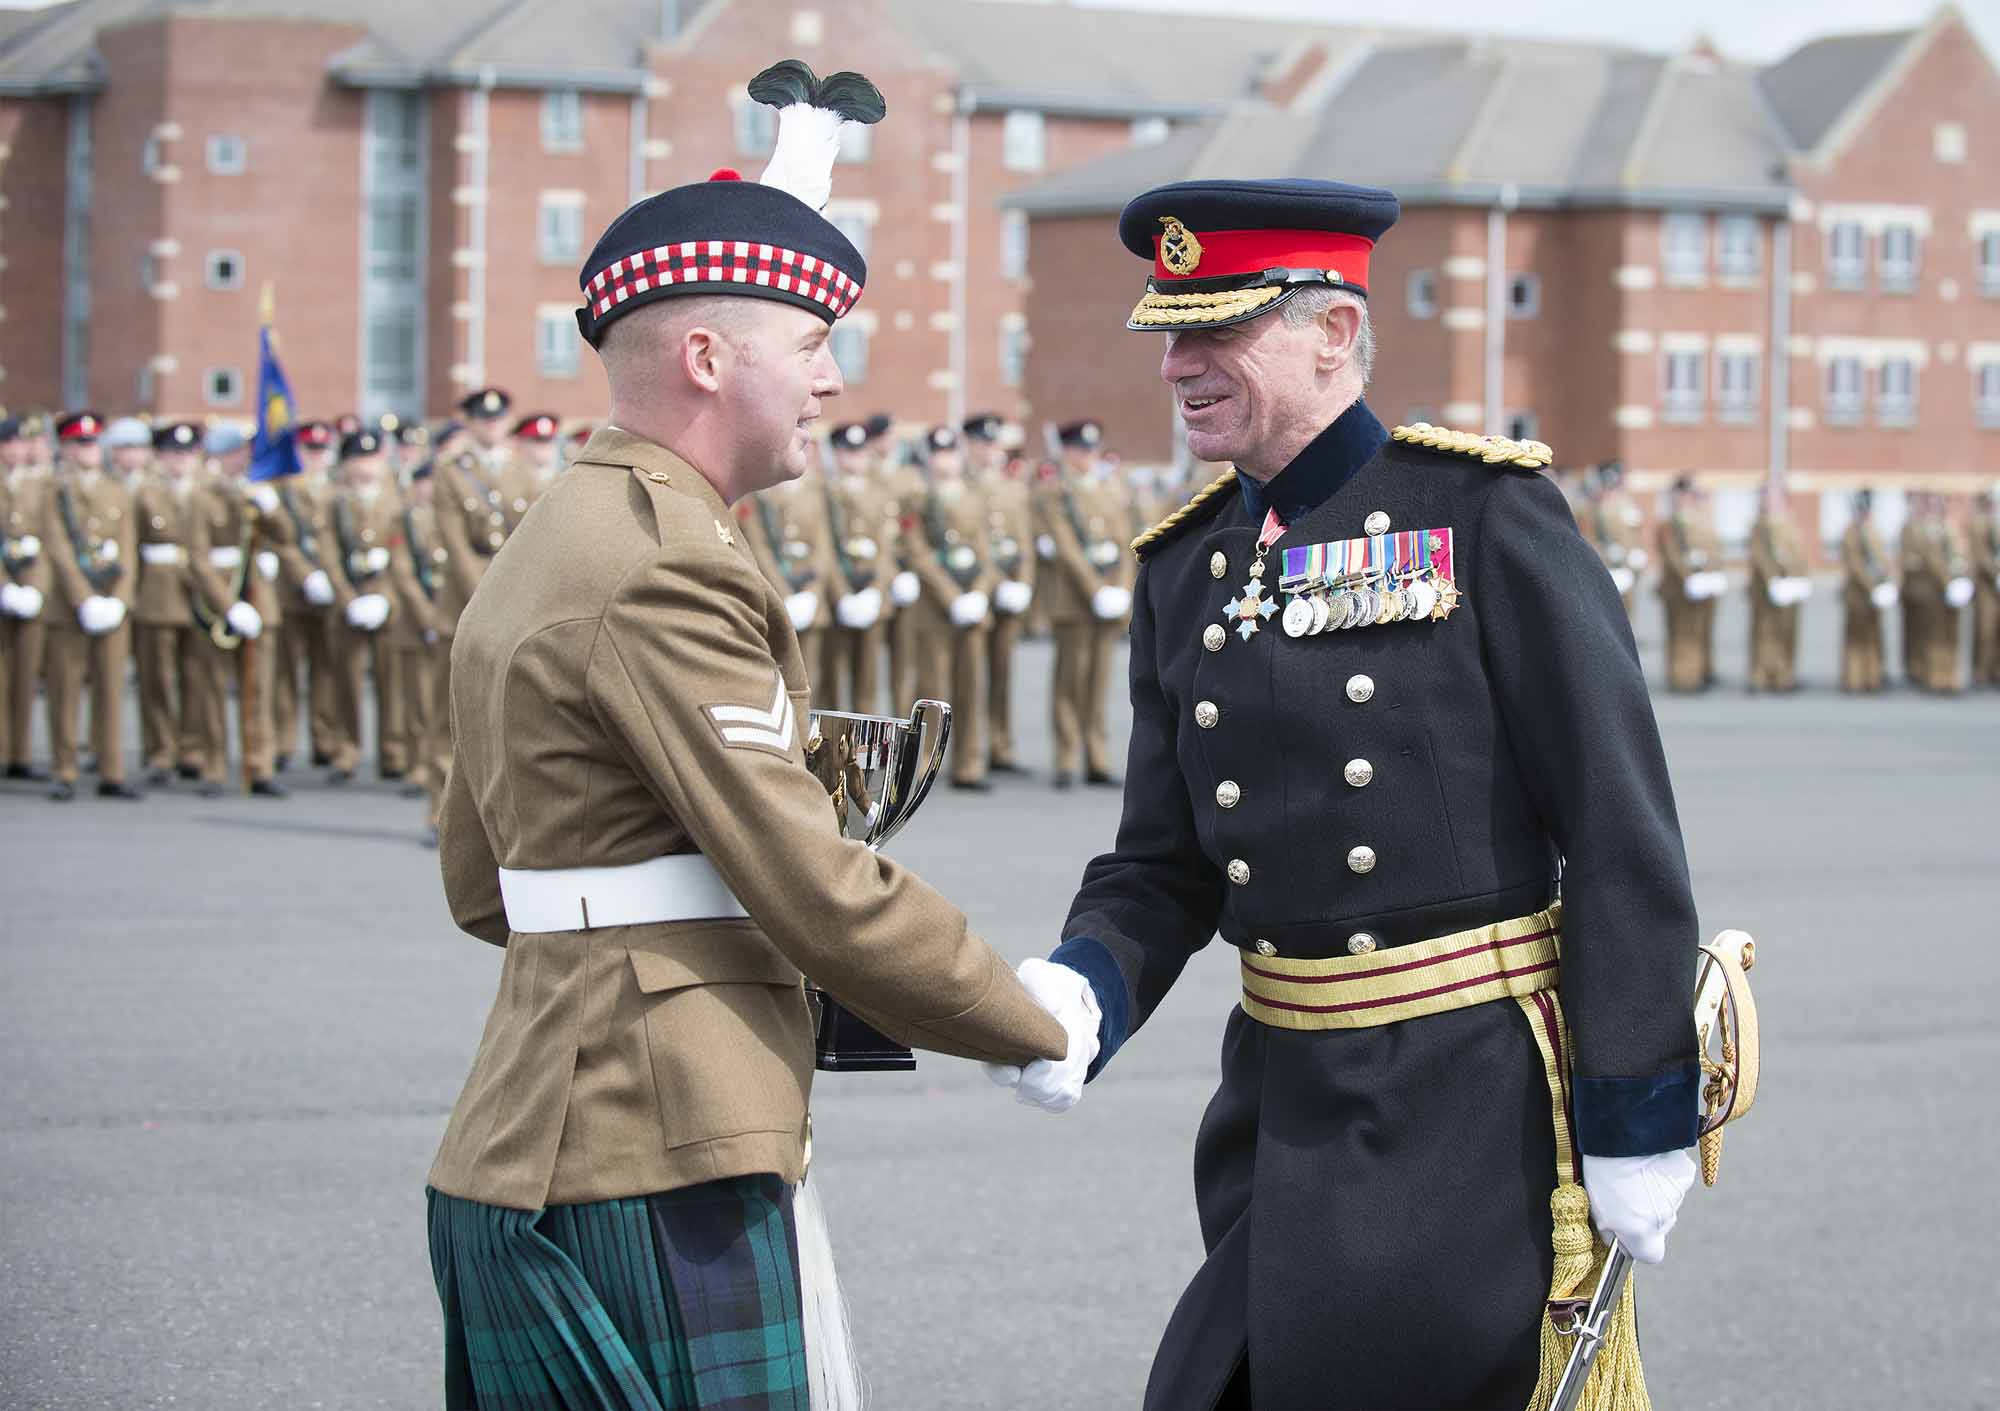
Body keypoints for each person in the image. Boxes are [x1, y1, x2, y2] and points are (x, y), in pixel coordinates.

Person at [425, 62, 1089, 1411]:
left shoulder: (581, 526)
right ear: (710, 358)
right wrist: (1030, 1019)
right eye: (809, 344)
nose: (835, 381)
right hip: (644, 1153)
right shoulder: (664, 565)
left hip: (561, 1131)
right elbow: (810, 881)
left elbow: (477, 881)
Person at [989, 178, 1704, 1410]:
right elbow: (1162, 861)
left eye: (1217, 329)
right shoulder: (1186, 564)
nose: (1178, 366)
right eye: (1169, 332)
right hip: (1278, 1092)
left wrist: (1636, 1107)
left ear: (1331, 331)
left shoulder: (1482, 516)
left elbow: (1617, 827)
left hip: (1461, 1099)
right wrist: (1083, 986)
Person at [40, 412, 141, 801]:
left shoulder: (116, 491)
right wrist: (84, 598)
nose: (88, 451)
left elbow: (128, 548)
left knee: (111, 689)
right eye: (80, 444)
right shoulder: (53, 490)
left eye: (93, 444)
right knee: (65, 690)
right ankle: (63, 768)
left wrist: (119, 599)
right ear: (64, 448)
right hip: (69, 606)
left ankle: (111, 770)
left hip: (111, 601)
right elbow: (59, 547)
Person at [1033, 418, 1133, 787]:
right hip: (1074, 600)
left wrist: (1121, 588)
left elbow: (1125, 539)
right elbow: (1066, 546)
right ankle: (1067, 756)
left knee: (1099, 680)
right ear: (1067, 451)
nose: (1086, 456)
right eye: (1079, 449)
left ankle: (1097, 756)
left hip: (1108, 597)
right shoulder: (1055, 491)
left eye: (1092, 449)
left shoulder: (1110, 487)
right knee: (1070, 679)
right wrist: (1095, 590)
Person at [904, 425, 996, 790]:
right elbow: (919, 552)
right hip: (934, 610)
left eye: (951, 453)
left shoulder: (976, 497)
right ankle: (927, 764)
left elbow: (988, 550)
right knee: (933, 687)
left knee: (972, 685)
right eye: (938, 454)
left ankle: (969, 763)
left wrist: (979, 592)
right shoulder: (918, 498)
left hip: (972, 603)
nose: (945, 461)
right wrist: (950, 596)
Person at [324, 428, 411, 784]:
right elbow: (328, 551)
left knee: (393, 681)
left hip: (387, 594)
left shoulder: (398, 497)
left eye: (372, 458)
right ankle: (347, 749)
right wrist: (346, 597)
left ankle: (394, 751)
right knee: (347, 678)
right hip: (351, 593)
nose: (366, 467)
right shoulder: (334, 500)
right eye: (358, 459)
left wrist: (387, 596)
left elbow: (407, 551)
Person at [131, 421, 206, 786]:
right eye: (173, 454)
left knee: (196, 676)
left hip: (201, 594)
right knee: (156, 677)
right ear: (160, 457)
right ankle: (160, 750)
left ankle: (193, 749)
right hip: (157, 593)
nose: (181, 461)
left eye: (188, 454)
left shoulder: (208, 492)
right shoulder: (145, 493)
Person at [270, 419, 341, 770]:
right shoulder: (284, 489)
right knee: (286, 671)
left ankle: (324, 739)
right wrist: (306, 575)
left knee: (326, 669)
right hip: (291, 590)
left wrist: (334, 579)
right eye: (309, 450)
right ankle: (283, 742)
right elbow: (282, 541)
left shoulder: (336, 489)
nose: (316, 457)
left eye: (321, 450)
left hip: (333, 589)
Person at [967, 414, 1035, 774]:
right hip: (975, 589)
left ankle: (1001, 745)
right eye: (981, 444)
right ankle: (971, 750)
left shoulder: (1012, 488)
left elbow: (1022, 540)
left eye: (992, 445)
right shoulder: (962, 486)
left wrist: (1023, 581)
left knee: (1003, 672)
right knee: (972, 675)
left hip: (1007, 590)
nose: (988, 452)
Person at [817, 421, 896, 713]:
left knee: (867, 684)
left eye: (860, 451)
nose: (855, 458)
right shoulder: (825, 492)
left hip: (872, 594)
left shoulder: (879, 493)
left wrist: (876, 590)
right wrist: (842, 595)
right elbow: (823, 547)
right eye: (848, 452)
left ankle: (862, 754)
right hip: (838, 595)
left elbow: (886, 548)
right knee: (832, 683)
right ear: (836, 454)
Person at [1, 415, 53, 780]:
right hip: (4, 585)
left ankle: (20, 754)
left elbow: (54, 541)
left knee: (25, 677)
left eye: (19, 443)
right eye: (7, 444)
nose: (14, 450)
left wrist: (37, 588)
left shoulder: (41, 486)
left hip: (33, 583)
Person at [1659, 474, 1722, 691]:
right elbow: (1672, 554)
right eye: (1687, 493)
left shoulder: (1697, 518)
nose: (1690, 498)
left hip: (1701, 583)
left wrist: (1710, 574)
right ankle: (1682, 677)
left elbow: (1711, 549)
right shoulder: (1670, 522)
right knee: (1682, 635)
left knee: (1696, 632)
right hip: (1679, 587)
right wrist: (1689, 577)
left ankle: (1696, 672)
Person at [1746, 482, 1809, 692]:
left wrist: (1798, 576)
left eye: (1773, 497)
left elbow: (1800, 554)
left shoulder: (1790, 523)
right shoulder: (1759, 526)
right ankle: (1761, 676)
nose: (1769, 501)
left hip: (1790, 587)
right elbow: (1760, 556)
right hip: (1767, 589)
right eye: (1766, 497)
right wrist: (1773, 579)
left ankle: (1784, 675)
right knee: (1764, 634)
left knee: (1787, 632)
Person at [1839, 489, 1896, 693]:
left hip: (1875, 593)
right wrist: (1872, 586)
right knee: (1856, 638)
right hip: (1858, 593)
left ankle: (1872, 676)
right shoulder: (1851, 532)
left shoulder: (1872, 530)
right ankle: (1855, 679)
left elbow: (1882, 559)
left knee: (1873, 636)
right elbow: (1854, 565)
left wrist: (1888, 581)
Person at [1973, 487, 2000, 687]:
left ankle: (1995, 670)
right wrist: (1996, 573)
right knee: (1985, 629)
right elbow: (1982, 555)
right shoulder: (1979, 525)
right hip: (1987, 586)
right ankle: (1981, 671)